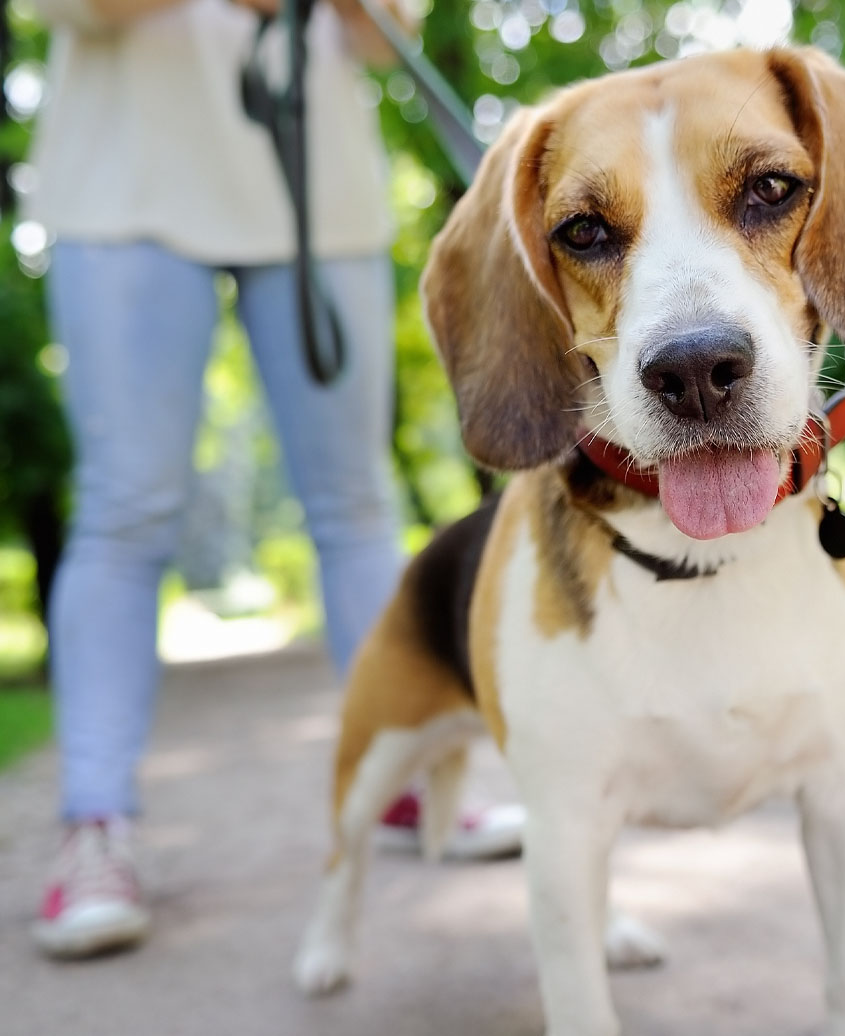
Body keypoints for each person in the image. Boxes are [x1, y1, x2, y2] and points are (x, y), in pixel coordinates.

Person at [24, 0, 520, 960]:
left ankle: (413, 776)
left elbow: (384, 34)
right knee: (125, 510)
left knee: (355, 504)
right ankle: (94, 829)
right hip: (123, 188)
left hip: (318, 194)